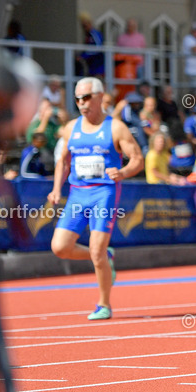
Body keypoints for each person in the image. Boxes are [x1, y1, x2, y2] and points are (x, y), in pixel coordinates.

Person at [48, 77, 144, 321]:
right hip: (77, 194)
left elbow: (137, 159)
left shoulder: (116, 128)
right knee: (60, 247)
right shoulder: (71, 128)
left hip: (104, 193)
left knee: (96, 250)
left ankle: (104, 304)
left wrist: (123, 172)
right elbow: (63, 161)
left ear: (100, 97)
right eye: (78, 99)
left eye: (87, 97)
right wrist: (56, 188)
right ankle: (106, 256)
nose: (82, 103)